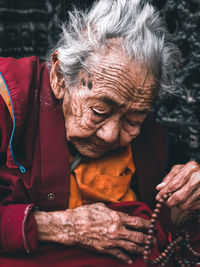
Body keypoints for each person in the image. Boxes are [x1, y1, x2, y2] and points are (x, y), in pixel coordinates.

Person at [0, 0, 199, 266]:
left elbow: (156, 235)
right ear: (59, 77)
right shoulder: (8, 100)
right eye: (99, 111)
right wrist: (61, 226)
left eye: (133, 119)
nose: (109, 135)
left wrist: (184, 206)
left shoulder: (149, 136)